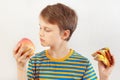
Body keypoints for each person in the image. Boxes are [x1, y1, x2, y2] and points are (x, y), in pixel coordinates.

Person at [13, 3, 114, 80]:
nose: (40, 33)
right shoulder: (35, 62)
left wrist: (104, 77)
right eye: (40, 28)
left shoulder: (83, 65)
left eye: (47, 30)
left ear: (65, 34)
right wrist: (20, 67)